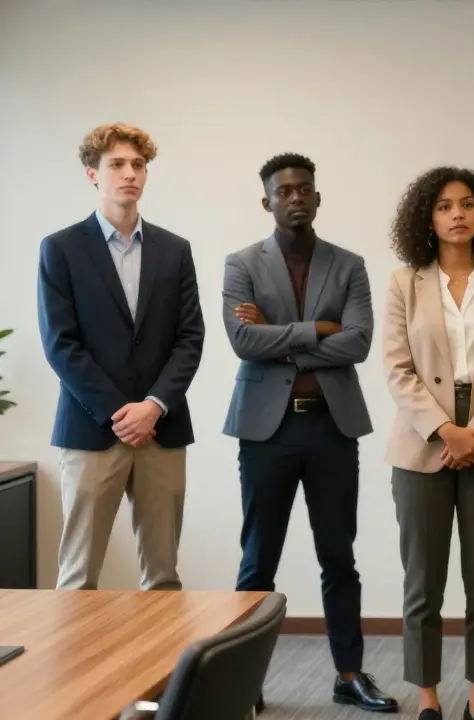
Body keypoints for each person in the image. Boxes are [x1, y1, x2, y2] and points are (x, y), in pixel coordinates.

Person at [222, 153, 397, 714]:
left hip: (331, 429)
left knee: (339, 558)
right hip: (266, 431)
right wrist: (319, 330)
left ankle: (349, 674)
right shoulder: (242, 263)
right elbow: (242, 342)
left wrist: (278, 333)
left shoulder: (348, 265)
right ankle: (240, 681)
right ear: (267, 201)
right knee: (258, 562)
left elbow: (360, 342)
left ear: (317, 198)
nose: (295, 197)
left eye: (304, 189)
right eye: (284, 191)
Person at [383, 166, 474, 720]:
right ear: (428, 216)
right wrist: (445, 429)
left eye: (467, 204)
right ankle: (426, 700)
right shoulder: (404, 282)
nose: (457, 214)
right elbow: (398, 369)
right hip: (423, 442)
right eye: (445, 206)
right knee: (423, 583)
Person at [37, 122, 204, 592]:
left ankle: (168, 669)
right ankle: (73, 670)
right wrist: (119, 411)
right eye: (116, 164)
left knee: (165, 577)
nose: (129, 173)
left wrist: (153, 406)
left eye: (138, 164)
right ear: (93, 173)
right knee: (78, 577)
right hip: (91, 430)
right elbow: (60, 343)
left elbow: (190, 338)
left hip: (162, 429)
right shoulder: (61, 249)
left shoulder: (175, 250)